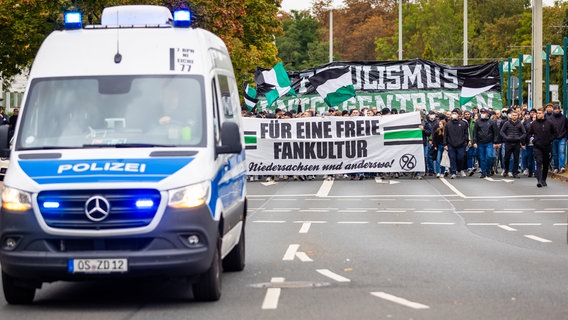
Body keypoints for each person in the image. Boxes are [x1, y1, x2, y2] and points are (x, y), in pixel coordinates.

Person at [527, 108, 557, 187]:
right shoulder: (534, 124)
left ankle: (544, 179)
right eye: (537, 113)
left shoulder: (549, 123)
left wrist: (550, 139)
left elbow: (555, 133)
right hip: (537, 146)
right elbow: (529, 134)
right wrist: (533, 140)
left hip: (547, 146)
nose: (538, 115)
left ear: (544, 113)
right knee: (538, 162)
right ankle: (539, 180)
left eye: (540, 113)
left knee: (546, 163)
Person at [473, 108, 500, 178]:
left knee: (490, 156)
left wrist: (495, 142)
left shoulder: (492, 122)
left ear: (487, 114)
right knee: (482, 158)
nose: (482, 113)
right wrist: (475, 142)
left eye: (484, 112)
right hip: (480, 143)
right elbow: (475, 133)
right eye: (481, 112)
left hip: (489, 142)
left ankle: (488, 169)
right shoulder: (477, 122)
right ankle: (483, 172)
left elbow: (496, 133)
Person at [444, 108, 469, 179]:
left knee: (460, 158)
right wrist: (445, 144)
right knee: (452, 158)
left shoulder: (463, 123)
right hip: (451, 144)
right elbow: (446, 135)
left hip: (461, 145)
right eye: (453, 113)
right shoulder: (448, 124)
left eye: (455, 113)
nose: (454, 115)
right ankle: (453, 172)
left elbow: (466, 134)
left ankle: (460, 169)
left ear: (459, 115)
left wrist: (465, 141)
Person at [500, 110, 526, 178]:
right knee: (506, 158)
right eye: (513, 115)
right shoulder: (507, 123)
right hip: (508, 143)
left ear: (518, 116)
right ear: (511, 116)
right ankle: (506, 170)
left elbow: (524, 133)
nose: (514, 116)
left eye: (515, 115)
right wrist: (506, 137)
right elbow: (502, 131)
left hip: (516, 143)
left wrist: (519, 138)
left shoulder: (520, 123)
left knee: (516, 158)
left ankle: (515, 172)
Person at [547, 105, 568, 174]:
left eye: (558, 109)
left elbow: (567, 128)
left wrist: (566, 137)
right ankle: (556, 167)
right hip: (553, 139)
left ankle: (562, 167)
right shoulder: (550, 119)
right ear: (553, 110)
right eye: (555, 109)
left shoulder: (564, 118)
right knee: (555, 154)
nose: (556, 110)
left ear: (559, 110)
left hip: (562, 137)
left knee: (561, 152)